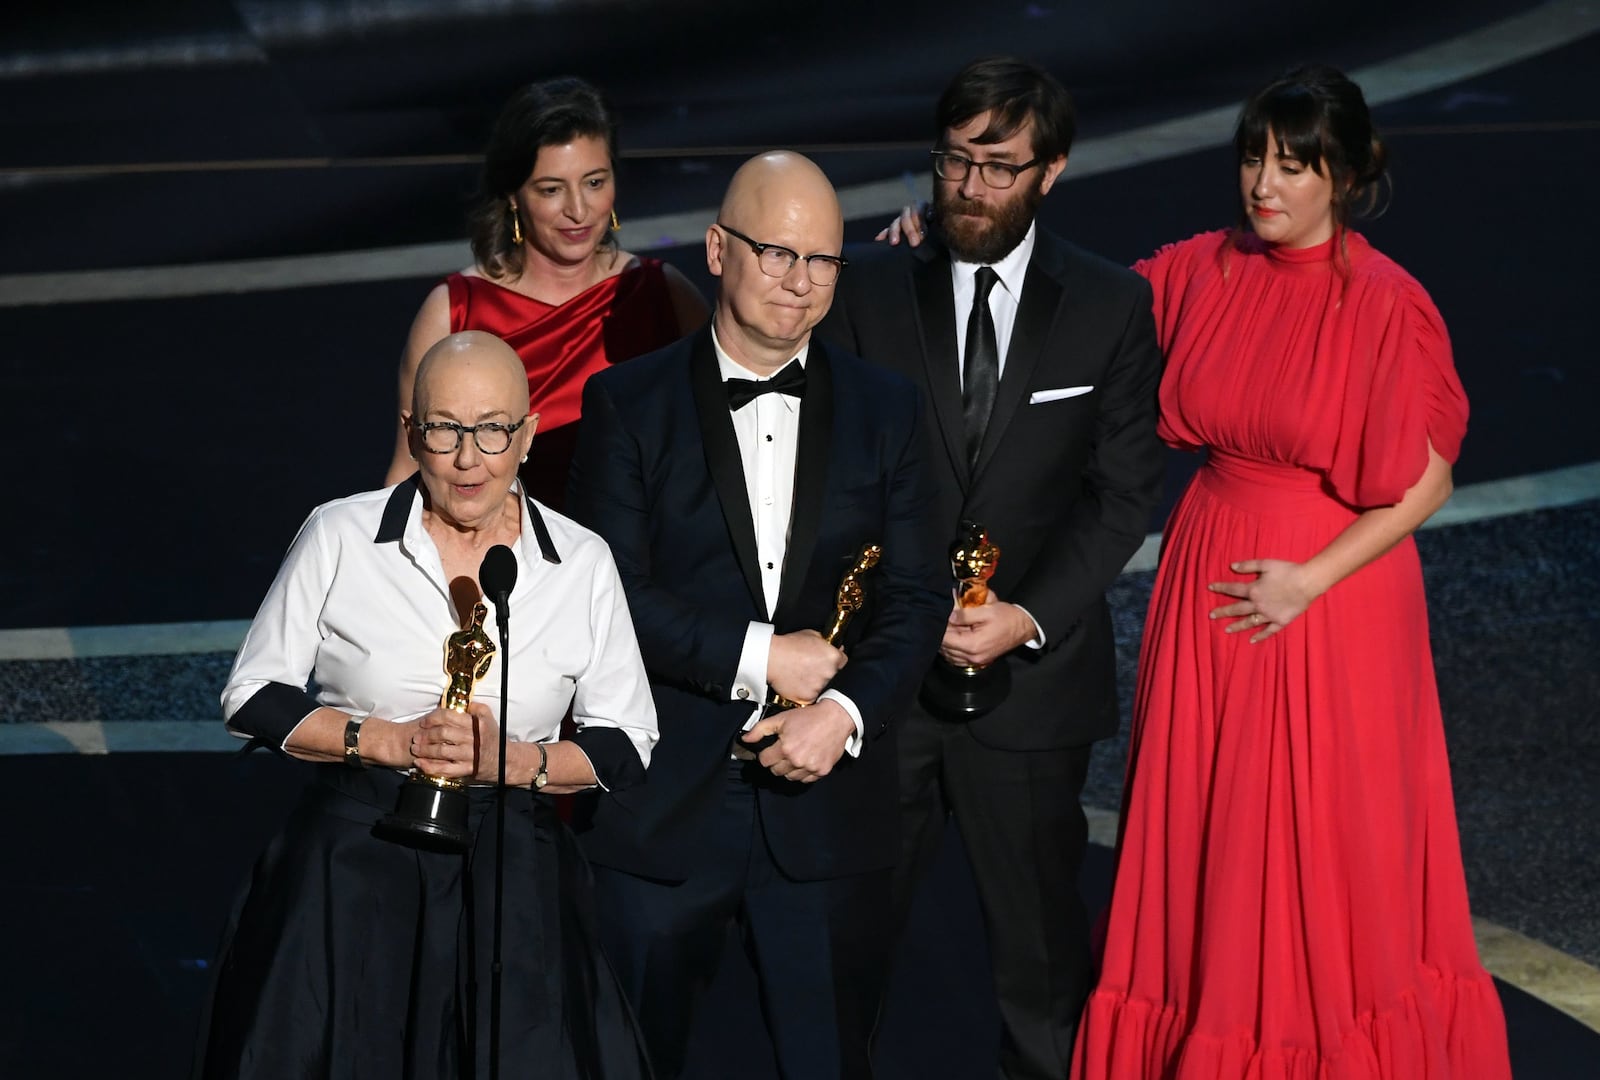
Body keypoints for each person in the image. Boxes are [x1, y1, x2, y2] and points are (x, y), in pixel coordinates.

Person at [1070, 65, 1512, 1077]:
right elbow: (1085, 313)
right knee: (1211, 838)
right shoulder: (1201, 269)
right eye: (1253, 158)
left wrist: (1305, 582)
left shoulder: (1389, 305)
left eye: (1293, 165)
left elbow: (1429, 481)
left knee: (1325, 839)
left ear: (1345, 176)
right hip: (1210, 580)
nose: (1262, 184)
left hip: (1332, 598)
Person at [566, 151, 949, 1080]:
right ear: (716, 249)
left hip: (827, 819)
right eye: (777, 253)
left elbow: (915, 594)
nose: (799, 281)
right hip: (664, 811)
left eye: (821, 260)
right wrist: (758, 658)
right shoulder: (626, 403)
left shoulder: (889, 408)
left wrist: (843, 714)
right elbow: (606, 588)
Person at [820, 57, 1165, 1080]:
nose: (968, 187)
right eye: (954, 161)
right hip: (885, 683)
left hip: (1031, 687)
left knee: (1041, 962)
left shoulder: (1108, 305)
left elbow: (1120, 495)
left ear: (1050, 172)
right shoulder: (866, 293)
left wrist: (1026, 616)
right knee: (848, 946)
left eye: (998, 167)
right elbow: (827, 477)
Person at [200, 331, 660, 1078]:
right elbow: (253, 696)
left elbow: (627, 742)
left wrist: (513, 761)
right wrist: (383, 741)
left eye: (492, 430)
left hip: (513, 874)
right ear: (413, 434)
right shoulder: (341, 533)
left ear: (528, 434)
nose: (469, 458)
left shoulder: (581, 561)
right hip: (354, 867)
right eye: (445, 430)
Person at [384, 77, 708, 508]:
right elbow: (408, 468)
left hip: (640, 560)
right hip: (502, 561)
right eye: (552, 189)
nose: (578, 209)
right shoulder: (454, 312)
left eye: (594, 182)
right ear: (513, 196)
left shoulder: (663, 295)